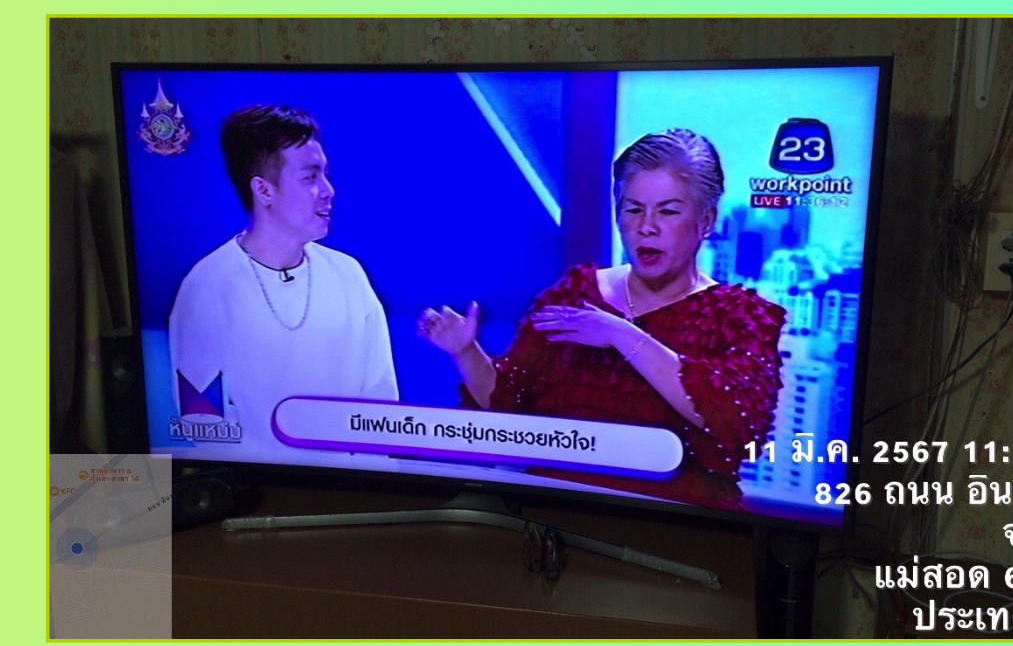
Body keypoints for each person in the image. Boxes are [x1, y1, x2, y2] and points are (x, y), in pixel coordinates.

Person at [417, 129, 784, 510]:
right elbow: (510, 407)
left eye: (668, 211)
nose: (647, 226)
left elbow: (736, 423)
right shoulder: (576, 293)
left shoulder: (739, 316)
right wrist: (466, 351)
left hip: (679, 529)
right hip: (554, 521)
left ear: (706, 220)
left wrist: (623, 335)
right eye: (633, 209)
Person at [169, 104, 398, 455]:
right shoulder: (207, 287)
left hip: (357, 481)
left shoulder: (349, 275)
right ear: (263, 191)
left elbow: (380, 403)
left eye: (325, 174)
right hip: (253, 483)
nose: (328, 190)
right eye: (310, 177)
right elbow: (202, 421)